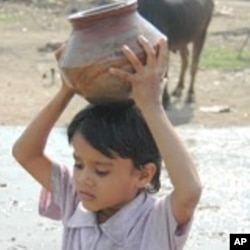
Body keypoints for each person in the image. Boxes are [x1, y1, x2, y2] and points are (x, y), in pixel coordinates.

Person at [12, 35, 202, 250]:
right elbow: (25, 153)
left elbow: (190, 192)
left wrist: (152, 106)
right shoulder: (75, 200)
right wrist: (67, 90)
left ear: (143, 174)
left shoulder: (156, 221)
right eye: (78, 164)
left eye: (101, 170)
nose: (84, 179)